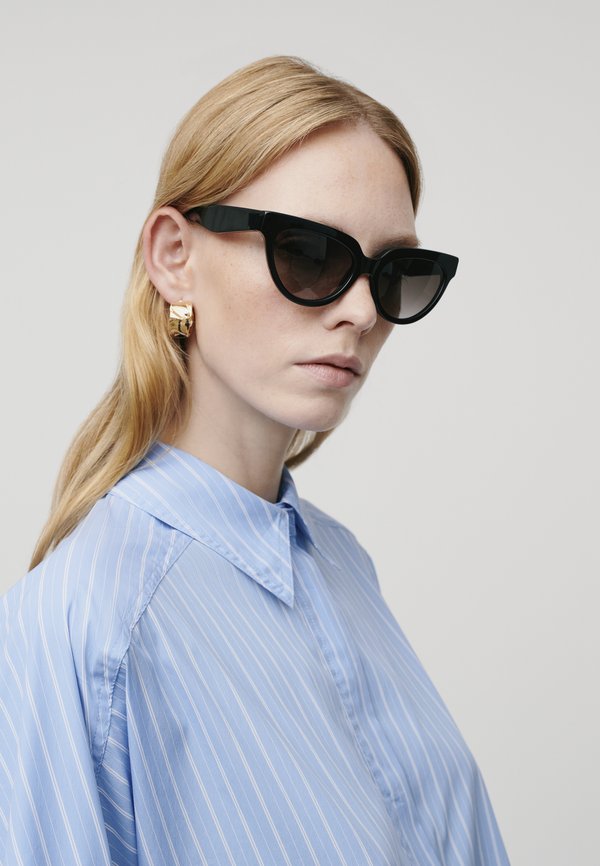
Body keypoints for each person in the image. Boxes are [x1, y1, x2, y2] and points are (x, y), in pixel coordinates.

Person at [0, 55, 511, 866]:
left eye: (394, 274)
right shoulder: (83, 624)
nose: (361, 312)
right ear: (174, 255)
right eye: (309, 253)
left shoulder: (342, 563)